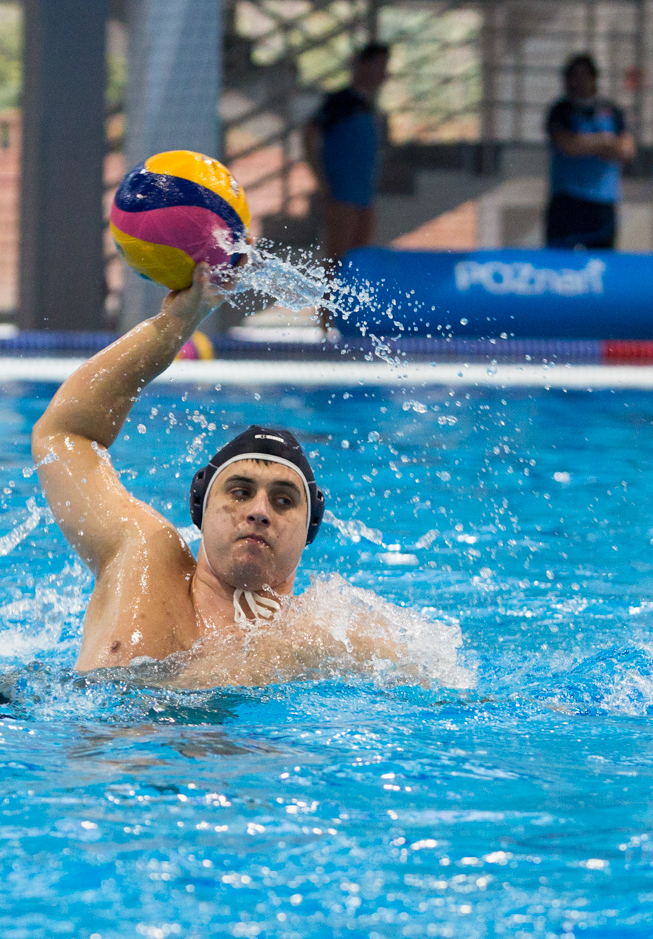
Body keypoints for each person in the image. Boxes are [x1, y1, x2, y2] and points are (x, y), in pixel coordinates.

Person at [32, 264, 411, 688]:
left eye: (284, 500)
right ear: (201, 506)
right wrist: (174, 325)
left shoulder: (328, 638)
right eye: (240, 491)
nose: (259, 512)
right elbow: (65, 433)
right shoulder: (141, 557)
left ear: (311, 528)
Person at [303, 42, 390, 273]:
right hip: (342, 193)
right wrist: (320, 178)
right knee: (337, 261)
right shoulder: (341, 101)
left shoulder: (371, 108)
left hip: (364, 194)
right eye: (379, 66)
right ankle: (328, 310)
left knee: (360, 262)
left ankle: (352, 309)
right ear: (363, 65)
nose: (383, 73)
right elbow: (309, 135)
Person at [545, 53, 634, 250]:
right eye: (574, 76)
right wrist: (604, 143)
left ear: (594, 78)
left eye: (584, 75)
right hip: (568, 202)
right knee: (560, 262)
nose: (580, 82)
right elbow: (568, 145)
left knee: (602, 264)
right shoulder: (561, 111)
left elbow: (626, 149)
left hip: (602, 203)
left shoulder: (612, 111)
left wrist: (588, 145)